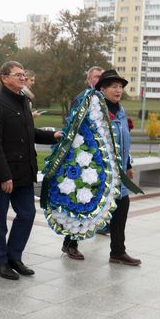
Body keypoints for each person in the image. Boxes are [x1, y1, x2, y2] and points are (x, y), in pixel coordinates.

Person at [0, 62, 62, 280]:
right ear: (4, 78)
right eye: (18, 75)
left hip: (25, 171)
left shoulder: (24, 102)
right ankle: (0, 263)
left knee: (27, 214)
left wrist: (52, 136)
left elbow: (30, 133)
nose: (22, 79)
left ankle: (14, 257)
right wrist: (4, 175)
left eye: (24, 75)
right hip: (5, 174)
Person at [95, 70, 142, 266]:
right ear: (102, 89)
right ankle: (70, 242)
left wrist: (128, 164)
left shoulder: (120, 111)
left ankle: (117, 252)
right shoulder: (95, 110)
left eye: (120, 86)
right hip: (99, 172)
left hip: (119, 172)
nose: (118, 90)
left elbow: (124, 141)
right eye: (113, 86)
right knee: (91, 209)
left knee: (121, 208)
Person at [62, 65, 105, 259]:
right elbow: (74, 126)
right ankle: (70, 243)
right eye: (96, 77)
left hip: (99, 155)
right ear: (89, 80)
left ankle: (92, 229)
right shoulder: (82, 98)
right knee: (80, 196)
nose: (99, 80)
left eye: (102, 77)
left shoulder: (104, 99)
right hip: (83, 155)